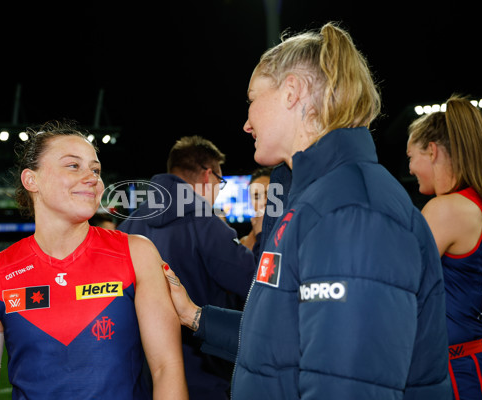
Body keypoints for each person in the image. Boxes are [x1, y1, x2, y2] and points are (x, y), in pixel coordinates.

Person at [161, 22, 452, 400]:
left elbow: (347, 388)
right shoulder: (315, 198)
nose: (246, 123)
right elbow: (283, 344)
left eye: (251, 99)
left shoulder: (350, 210)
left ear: (292, 92)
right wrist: (195, 316)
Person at [0, 121, 188, 400]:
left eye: (96, 169)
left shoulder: (136, 253)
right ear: (32, 180)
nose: (92, 177)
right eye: (73, 166)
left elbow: (167, 369)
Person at [117, 135, 257, 400]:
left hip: (147, 378)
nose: (219, 189)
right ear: (207, 175)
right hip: (209, 375)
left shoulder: (128, 227)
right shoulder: (206, 224)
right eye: (220, 181)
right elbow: (256, 285)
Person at [406, 95, 482, 400]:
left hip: (454, 369)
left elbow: (400, 279)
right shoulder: (480, 204)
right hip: (471, 361)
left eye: (411, 156)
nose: (411, 167)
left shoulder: (445, 209)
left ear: (431, 151)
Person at [239, 166, 272, 253]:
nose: (263, 201)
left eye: (269, 193)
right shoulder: (243, 244)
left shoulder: (292, 232)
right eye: (257, 197)